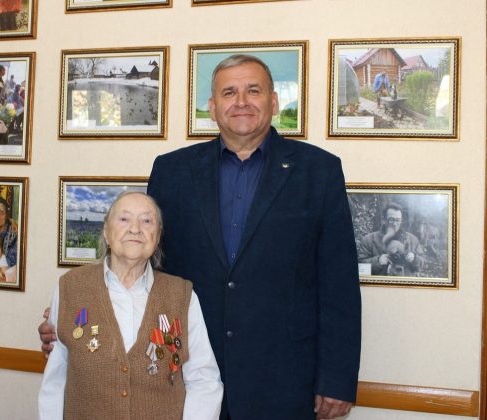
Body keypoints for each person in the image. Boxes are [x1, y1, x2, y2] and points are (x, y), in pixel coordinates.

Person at [40, 54, 361, 419]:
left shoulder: (318, 171)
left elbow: (339, 284)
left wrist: (336, 378)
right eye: (229, 92)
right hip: (181, 377)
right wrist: (74, 315)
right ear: (212, 106)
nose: (241, 101)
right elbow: (137, 254)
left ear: (274, 101)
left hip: (284, 380)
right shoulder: (172, 170)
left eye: (253, 90)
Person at [38, 191, 223, 420]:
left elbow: (204, 380)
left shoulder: (182, 295)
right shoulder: (70, 288)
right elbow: (55, 380)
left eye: (147, 220)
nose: (135, 228)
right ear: (106, 232)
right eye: (124, 219)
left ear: (157, 238)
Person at [358, 202, 424, 276]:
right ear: (384, 220)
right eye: (391, 220)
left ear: (401, 220)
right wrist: (378, 261)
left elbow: (421, 265)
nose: (395, 224)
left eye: (398, 220)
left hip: (405, 285)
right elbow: (360, 269)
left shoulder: (412, 240)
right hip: (380, 285)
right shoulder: (368, 240)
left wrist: (414, 258)